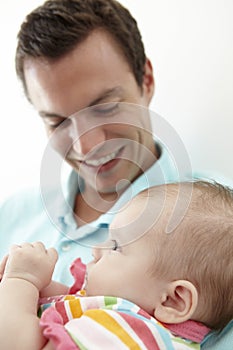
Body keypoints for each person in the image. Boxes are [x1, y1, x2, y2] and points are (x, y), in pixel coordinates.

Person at [0, 181, 233, 349]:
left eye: (115, 247)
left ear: (172, 300)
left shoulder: (129, 333)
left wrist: (21, 281)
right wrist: (35, 284)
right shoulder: (129, 317)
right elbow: (67, 305)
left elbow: (17, 344)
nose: (96, 249)